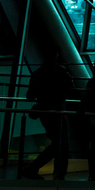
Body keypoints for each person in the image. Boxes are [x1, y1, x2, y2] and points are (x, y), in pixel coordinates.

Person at [22, 46, 74, 180]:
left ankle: (34, 168)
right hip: (58, 111)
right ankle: (57, 174)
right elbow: (70, 90)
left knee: (57, 144)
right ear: (57, 55)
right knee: (62, 145)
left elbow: (30, 96)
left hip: (45, 112)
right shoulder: (62, 72)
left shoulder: (38, 73)